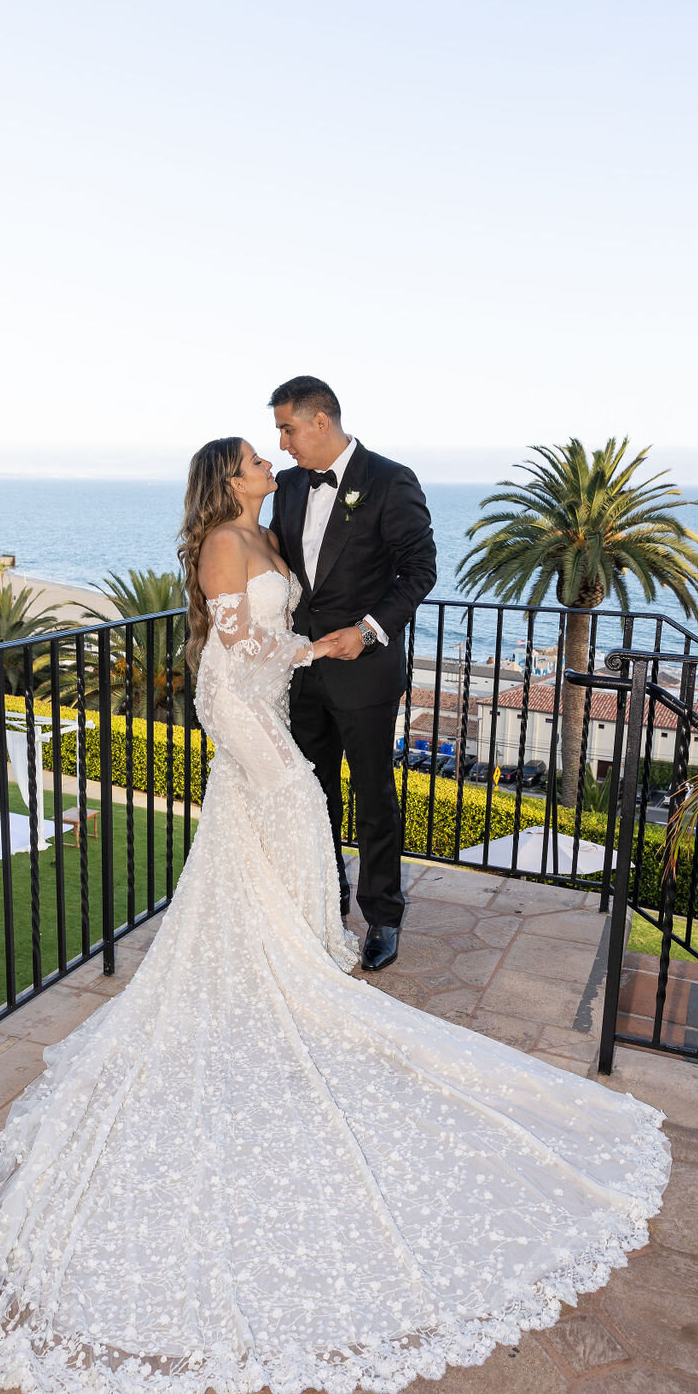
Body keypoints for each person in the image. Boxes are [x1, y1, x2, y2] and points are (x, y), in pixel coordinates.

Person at [0, 436, 670, 1394]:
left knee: (284, 834)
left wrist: (340, 630)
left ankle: (291, 949)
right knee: (294, 811)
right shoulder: (226, 548)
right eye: (253, 461)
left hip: (271, 701)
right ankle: (287, 960)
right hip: (245, 711)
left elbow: (309, 595)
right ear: (228, 481)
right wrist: (329, 644)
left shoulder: (261, 531)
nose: (270, 464)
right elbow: (236, 650)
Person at [269, 376, 437, 972]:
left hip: (364, 673)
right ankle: (326, 901)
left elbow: (420, 571)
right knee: (315, 796)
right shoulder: (287, 486)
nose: (283, 444)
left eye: (287, 429)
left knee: (373, 798)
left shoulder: (390, 480)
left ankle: (383, 916)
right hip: (302, 672)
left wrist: (366, 632)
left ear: (320, 422)